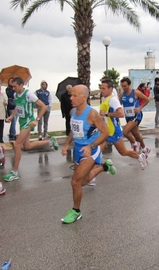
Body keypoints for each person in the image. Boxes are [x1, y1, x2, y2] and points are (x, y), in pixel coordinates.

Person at [60, 85, 116, 224]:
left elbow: (105, 133)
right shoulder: (73, 111)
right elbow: (73, 130)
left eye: (74, 95)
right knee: (83, 181)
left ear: (84, 97)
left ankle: (76, 211)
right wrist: (67, 144)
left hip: (91, 149)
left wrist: (91, 146)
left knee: (75, 182)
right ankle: (104, 168)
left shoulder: (92, 114)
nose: (70, 98)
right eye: (70, 95)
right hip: (78, 149)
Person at [3, 77, 59, 182]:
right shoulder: (15, 95)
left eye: (15, 86)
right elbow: (17, 107)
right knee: (27, 146)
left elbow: (43, 107)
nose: (13, 88)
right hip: (22, 122)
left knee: (17, 145)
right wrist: (11, 116)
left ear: (21, 85)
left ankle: (14, 172)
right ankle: (50, 141)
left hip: (29, 121)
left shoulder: (29, 94)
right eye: (12, 86)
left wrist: (37, 120)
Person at [99, 80, 147, 170]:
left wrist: (106, 114)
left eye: (103, 88)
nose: (101, 90)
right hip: (106, 130)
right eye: (101, 88)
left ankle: (140, 157)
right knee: (97, 150)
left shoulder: (113, 100)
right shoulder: (104, 99)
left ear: (110, 89)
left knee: (123, 152)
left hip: (114, 131)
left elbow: (121, 114)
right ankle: (94, 169)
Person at [119, 77, 151, 155]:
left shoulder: (135, 92)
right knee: (136, 135)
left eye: (125, 86)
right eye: (122, 86)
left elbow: (147, 100)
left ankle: (135, 143)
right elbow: (119, 104)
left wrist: (139, 108)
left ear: (129, 85)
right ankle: (144, 148)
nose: (123, 88)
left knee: (125, 132)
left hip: (136, 116)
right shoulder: (121, 94)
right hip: (128, 117)